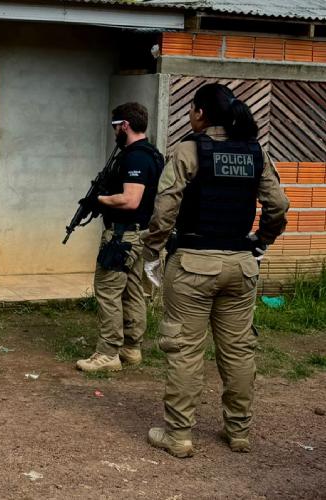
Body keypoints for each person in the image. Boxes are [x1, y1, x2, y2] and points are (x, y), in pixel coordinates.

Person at [142, 83, 288, 458]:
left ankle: (178, 436)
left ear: (202, 113)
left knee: (185, 350)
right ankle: (238, 431)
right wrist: (262, 240)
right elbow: (279, 205)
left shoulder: (188, 151)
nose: (190, 115)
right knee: (239, 350)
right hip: (241, 266)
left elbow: (165, 208)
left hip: (192, 265)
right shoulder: (255, 152)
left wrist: (152, 249)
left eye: (192, 109)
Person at [76, 103, 163, 372]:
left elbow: (130, 199)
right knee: (132, 289)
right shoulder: (153, 154)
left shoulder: (135, 158)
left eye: (116, 127)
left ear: (125, 125)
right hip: (140, 234)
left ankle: (108, 353)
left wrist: (99, 200)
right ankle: (131, 347)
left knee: (107, 288)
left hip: (122, 236)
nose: (114, 132)